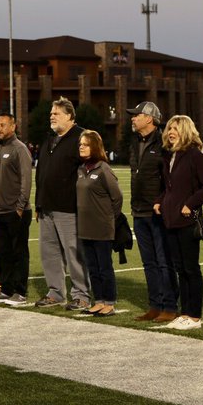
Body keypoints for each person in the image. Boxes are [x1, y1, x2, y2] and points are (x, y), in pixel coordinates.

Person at [156, 115, 203, 330]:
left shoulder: (194, 156)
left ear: (186, 131)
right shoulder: (170, 156)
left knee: (191, 268)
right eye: (170, 128)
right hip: (170, 220)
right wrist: (159, 201)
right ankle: (185, 313)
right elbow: (169, 188)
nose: (171, 132)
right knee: (180, 269)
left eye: (176, 129)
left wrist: (190, 204)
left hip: (187, 221)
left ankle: (195, 316)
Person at [33, 98, 89, 311]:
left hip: (69, 207)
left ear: (70, 116)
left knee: (74, 253)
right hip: (47, 207)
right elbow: (41, 174)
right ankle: (56, 292)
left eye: (56, 113)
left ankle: (82, 295)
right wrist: (38, 204)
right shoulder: (50, 139)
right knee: (50, 253)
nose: (52, 116)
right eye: (51, 113)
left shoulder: (81, 137)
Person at [126, 101, 174, 322]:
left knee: (164, 261)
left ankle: (170, 306)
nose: (133, 118)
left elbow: (168, 178)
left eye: (137, 115)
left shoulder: (164, 142)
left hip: (157, 211)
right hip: (138, 210)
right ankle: (154, 305)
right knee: (149, 262)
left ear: (150, 118)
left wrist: (161, 202)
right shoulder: (135, 141)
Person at [0, 113, 33, 307]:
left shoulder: (20, 149)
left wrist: (20, 207)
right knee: (2, 253)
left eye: (3, 125)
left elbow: (26, 179)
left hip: (15, 211)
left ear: (13, 126)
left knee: (18, 253)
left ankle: (20, 292)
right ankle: (5, 289)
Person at [76, 129, 123, 317]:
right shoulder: (80, 169)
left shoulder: (103, 168)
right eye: (80, 144)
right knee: (93, 268)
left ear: (94, 146)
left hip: (102, 227)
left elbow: (117, 197)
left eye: (85, 144)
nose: (81, 147)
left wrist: (109, 218)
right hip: (85, 227)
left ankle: (109, 303)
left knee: (104, 267)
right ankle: (99, 300)